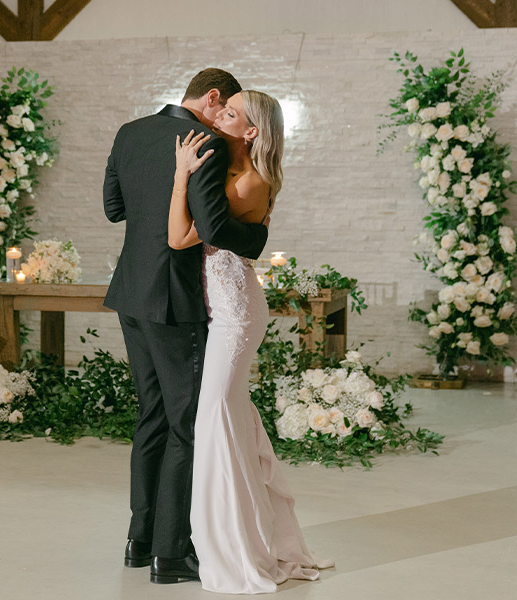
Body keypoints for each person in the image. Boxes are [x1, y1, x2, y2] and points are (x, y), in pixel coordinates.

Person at [102, 69, 269, 585]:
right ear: (213, 96)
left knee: (152, 416)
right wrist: (258, 236)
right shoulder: (206, 144)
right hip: (175, 299)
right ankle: (172, 554)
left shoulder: (129, 132)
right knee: (186, 423)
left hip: (130, 292)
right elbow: (215, 226)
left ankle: (140, 538)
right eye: (224, 107)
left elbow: (114, 209)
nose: (222, 118)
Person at [170, 90, 334, 594]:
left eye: (231, 112)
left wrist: (185, 175)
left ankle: (236, 547)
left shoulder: (250, 181)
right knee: (227, 416)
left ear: (251, 131)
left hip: (237, 313)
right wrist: (182, 174)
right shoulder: (221, 171)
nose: (219, 114)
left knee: (217, 414)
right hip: (221, 308)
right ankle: (255, 536)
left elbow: (185, 235)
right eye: (222, 107)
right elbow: (179, 238)